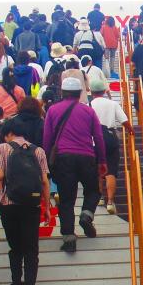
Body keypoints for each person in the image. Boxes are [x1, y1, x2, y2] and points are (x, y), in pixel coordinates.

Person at [0, 117, 50, 285]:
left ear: (8, 133)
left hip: (9, 205)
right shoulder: (38, 151)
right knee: (31, 250)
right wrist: (47, 207)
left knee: (15, 248)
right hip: (31, 205)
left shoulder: (2, 148)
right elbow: (44, 181)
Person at [43, 75, 107, 254]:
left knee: (66, 199)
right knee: (93, 190)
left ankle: (69, 238)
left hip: (63, 158)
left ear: (62, 92)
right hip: (86, 157)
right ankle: (86, 214)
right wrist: (102, 160)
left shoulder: (53, 111)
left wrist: (46, 162)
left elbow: (47, 139)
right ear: (80, 93)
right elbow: (98, 137)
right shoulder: (88, 111)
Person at [88, 75, 129, 215]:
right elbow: (124, 121)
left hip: (93, 139)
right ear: (104, 91)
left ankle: (99, 197)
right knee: (111, 171)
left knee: (97, 168)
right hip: (110, 137)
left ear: (91, 91)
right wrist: (130, 131)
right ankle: (110, 202)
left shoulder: (88, 105)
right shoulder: (112, 104)